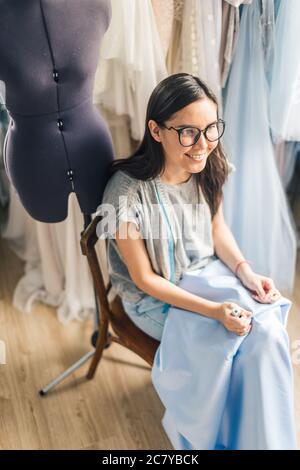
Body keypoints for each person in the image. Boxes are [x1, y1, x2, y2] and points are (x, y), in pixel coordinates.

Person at [99, 73, 297, 450]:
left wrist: (245, 272)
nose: (203, 144)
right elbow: (144, 279)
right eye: (188, 132)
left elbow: (216, 226)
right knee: (240, 344)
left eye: (211, 129)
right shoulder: (126, 192)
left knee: (269, 336)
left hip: (208, 274)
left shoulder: (207, 164)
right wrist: (214, 311)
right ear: (156, 131)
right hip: (155, 300)